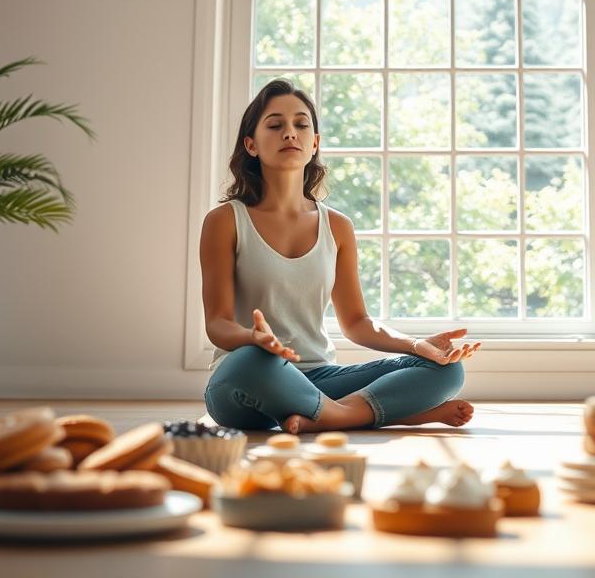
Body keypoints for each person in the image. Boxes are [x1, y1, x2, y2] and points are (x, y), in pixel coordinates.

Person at [200, 79, 479, 433]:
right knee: (252, 363)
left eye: (301, 125)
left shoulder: (338, 227)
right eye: (275, 125)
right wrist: (252, 339)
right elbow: (218, 324)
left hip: (319, 379)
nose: (290, 133)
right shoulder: (225, 221)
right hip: (247, 381)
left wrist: (415, 344)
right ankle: (378, 414)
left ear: (314, 143)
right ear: (251, 145)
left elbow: (357, 323)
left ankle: (336, 415)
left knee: (446, 369)